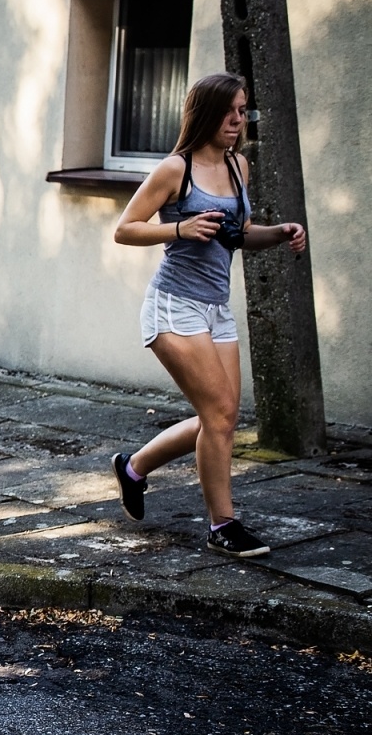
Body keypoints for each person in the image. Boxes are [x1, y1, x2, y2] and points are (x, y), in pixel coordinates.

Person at [110, 72, 307, 559]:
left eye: (243, 111)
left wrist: (278, 233)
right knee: (218, 415)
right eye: (230, 111)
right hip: (174, 306)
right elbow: (126, 229)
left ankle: (133, 468)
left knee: (220, 418)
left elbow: (239, 234)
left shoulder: (240, 166)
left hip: (216, 310)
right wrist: (180, 228)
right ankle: (223, 525)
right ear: (206, 113)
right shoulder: (175, 170)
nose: (238, 121)